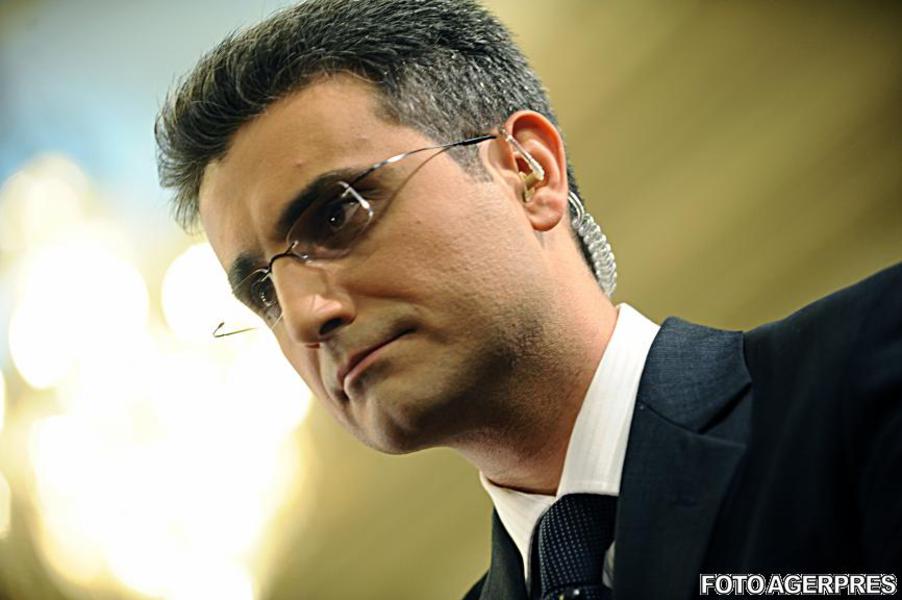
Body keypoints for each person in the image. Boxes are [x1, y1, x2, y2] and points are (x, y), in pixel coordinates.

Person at [154, 0, 902, 598]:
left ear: (527, 170)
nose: (305, 316)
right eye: (262, 289)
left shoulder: (872, 366)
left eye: (337, 214)